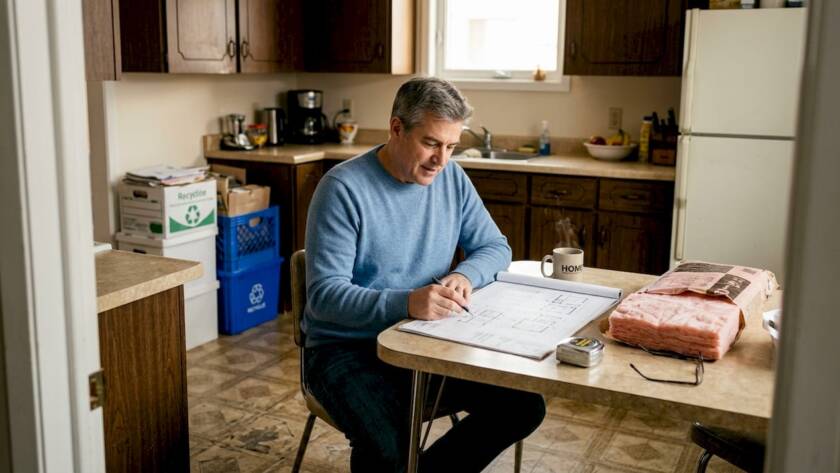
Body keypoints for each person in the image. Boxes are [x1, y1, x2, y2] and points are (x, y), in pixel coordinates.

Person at [302, 77, 546, 472]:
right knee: (388, 446)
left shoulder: (451, 178)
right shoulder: (342, 188)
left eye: (451, 146)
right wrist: (407, 301)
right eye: (431, 143)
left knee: (523, 405)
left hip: (426, 341)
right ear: (396, 128)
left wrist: (465, 275)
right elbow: (325, 297)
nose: (441, 160)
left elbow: (495, 247)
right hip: (346, 349)